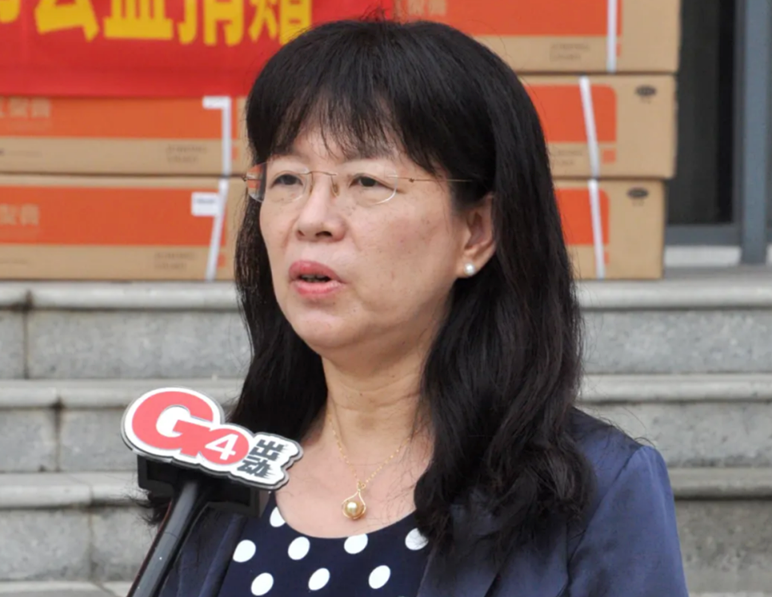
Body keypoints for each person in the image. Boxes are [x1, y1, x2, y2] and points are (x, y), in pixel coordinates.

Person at [156, 16, 689, 597]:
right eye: (287, 179)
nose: (311, 219)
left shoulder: (595, 490)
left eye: (366, 181)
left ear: (476, 231)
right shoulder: (223, 471)